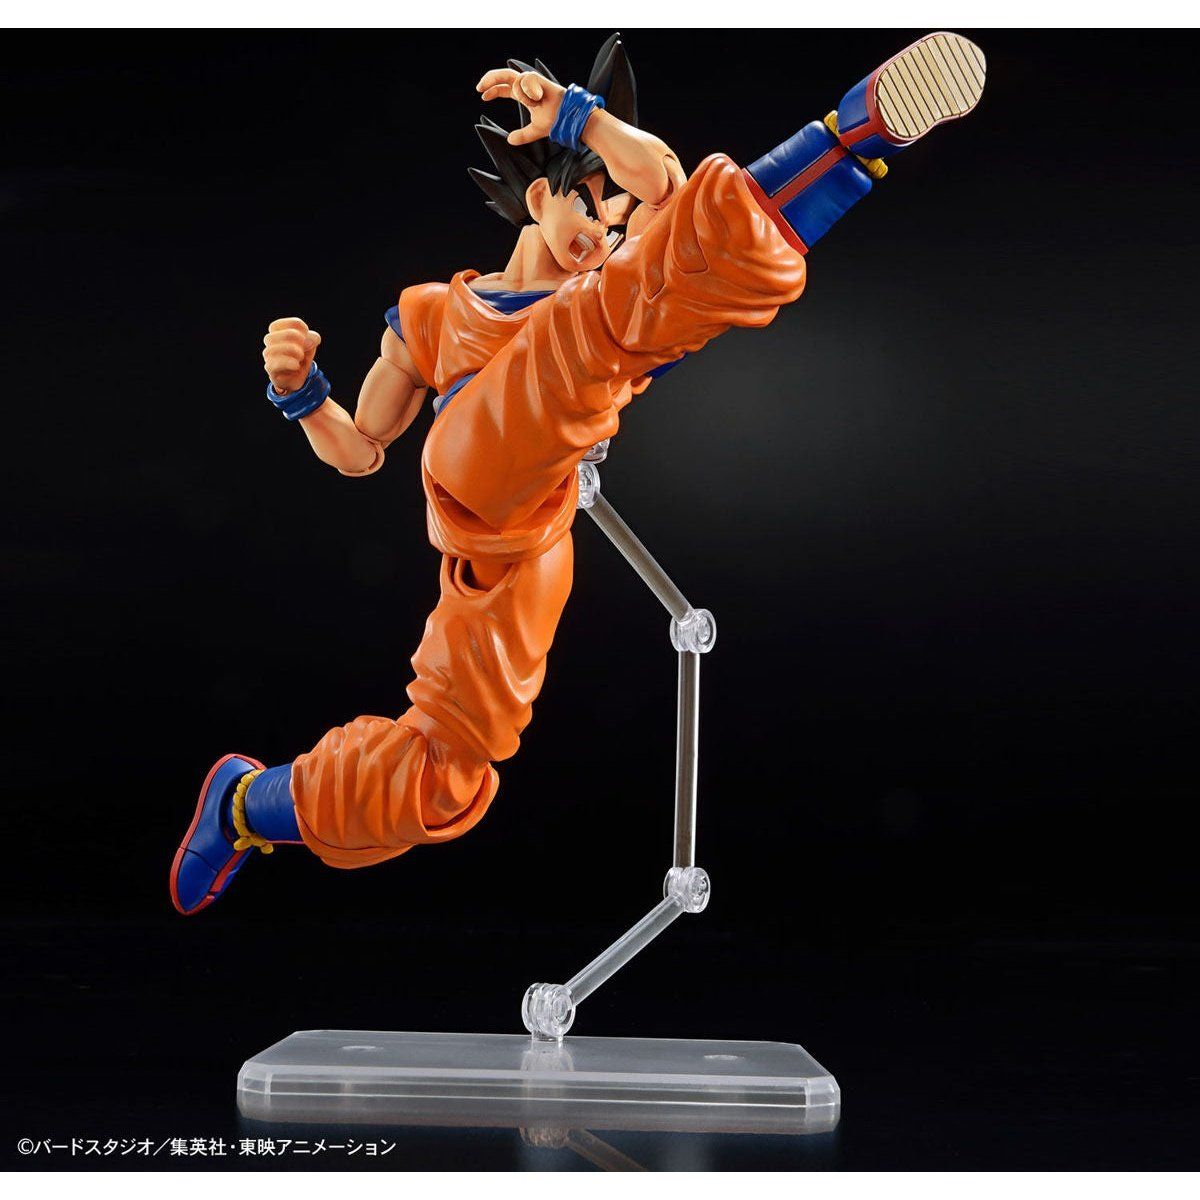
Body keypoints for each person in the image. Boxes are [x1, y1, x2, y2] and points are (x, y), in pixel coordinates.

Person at [171, 31, 987, 914]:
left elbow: (668, 189)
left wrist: (580, 116)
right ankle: (849, 138)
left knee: (447, 776)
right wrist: (302, 395)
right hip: (470, 478)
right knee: (606, 313)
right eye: (592, 210)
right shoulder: (437, 313)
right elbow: (362, 449)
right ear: (538, 197)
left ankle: (245, 805)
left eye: (616, 223)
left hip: (533, 536)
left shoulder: (613, 293)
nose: (603, 233)